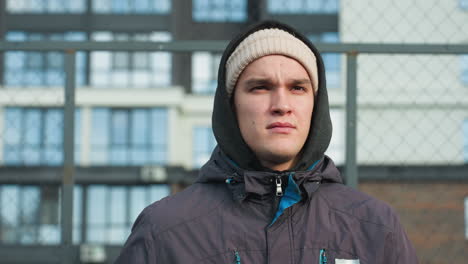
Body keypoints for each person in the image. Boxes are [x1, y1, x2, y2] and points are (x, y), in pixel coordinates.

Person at [115, 20, 418, 264]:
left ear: (316, 104)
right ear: (230, 106)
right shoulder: (164, 231)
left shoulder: (375, 226)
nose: (281, 104)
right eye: (260, 87)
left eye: (298, 88)